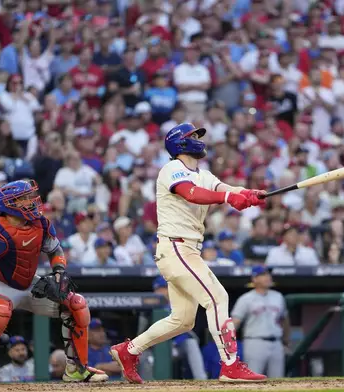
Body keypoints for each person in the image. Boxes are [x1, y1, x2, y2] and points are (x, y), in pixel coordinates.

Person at [110, 123, 267, 383]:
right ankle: (230, 364)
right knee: (217, 298)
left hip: (187, 249)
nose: (198, 139)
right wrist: (230, 199)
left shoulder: (203, 174)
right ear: (180, 143)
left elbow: (224, 189)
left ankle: (128, 350)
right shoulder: (172, 169)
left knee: (182, 320)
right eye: (193, 136)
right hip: (175, 247)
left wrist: (250, 194)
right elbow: (191, 194)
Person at [0, 180, 108, 384]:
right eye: (24, 198)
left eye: (30, 196)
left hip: (30, 283)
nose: (31, 201)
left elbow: (56, 251)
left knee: (77, 304)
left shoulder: (41, 223)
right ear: (9, 204)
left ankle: (77, 368)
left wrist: (59, 270)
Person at [231, 266, 289, 378]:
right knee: (253, 380)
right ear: (254, 279)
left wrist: (286, 340)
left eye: (268, 274)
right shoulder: (245, 299)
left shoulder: (278, 297)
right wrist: (229, 344)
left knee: (278, 382)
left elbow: (284, 320)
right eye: (263, 275)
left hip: (276, 342)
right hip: (254, 342)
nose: (268, 277)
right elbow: (235, 322)